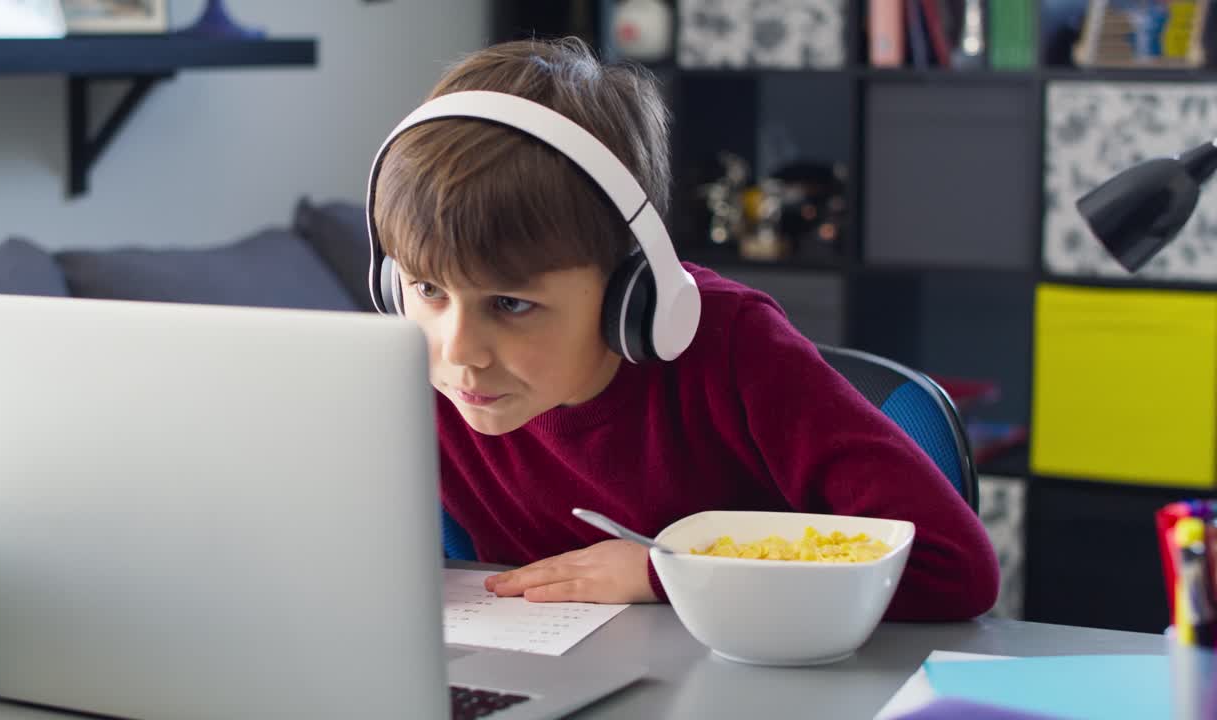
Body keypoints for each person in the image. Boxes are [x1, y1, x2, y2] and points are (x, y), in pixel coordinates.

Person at [370, 37, 998, 620]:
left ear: (630, 293)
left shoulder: (737, 352)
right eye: (427, 290)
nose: (459, 352)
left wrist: (674, 572)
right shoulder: (412, 374)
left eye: (510, 303)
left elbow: (952, 566)